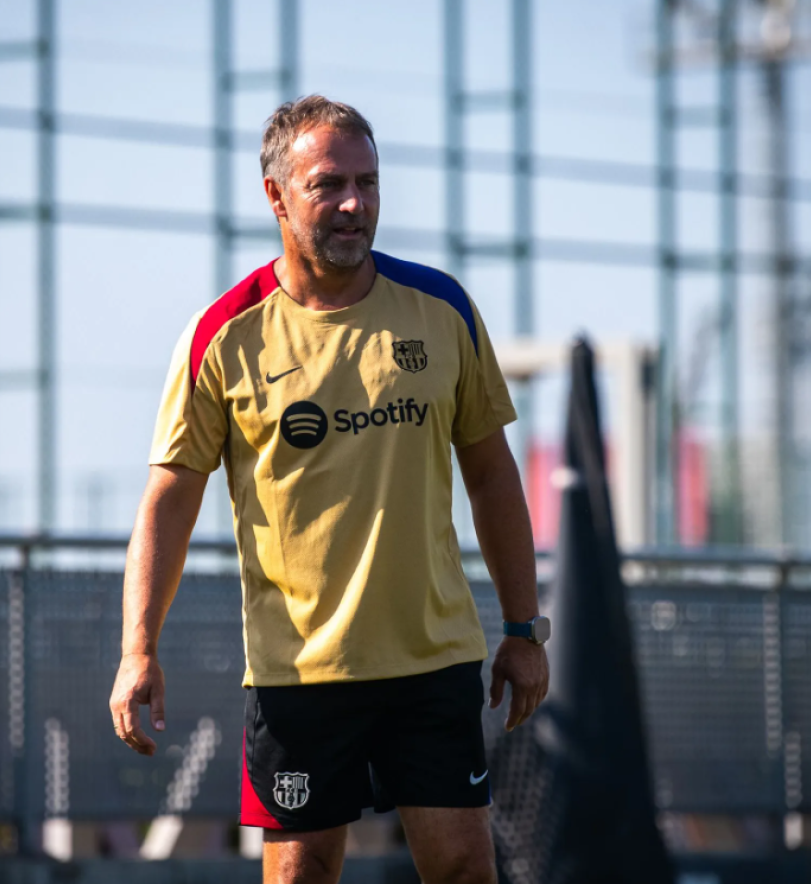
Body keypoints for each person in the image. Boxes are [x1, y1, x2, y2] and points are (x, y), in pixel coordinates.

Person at [108, 95, 548, 884]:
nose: (356, 204)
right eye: (330, 185)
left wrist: (524, 627)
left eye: (369, 183)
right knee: (302, 873)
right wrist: (138, 647)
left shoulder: (440, 309)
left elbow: (491, 475)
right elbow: (168, 503)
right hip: (299, 675)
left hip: (433, 661)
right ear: (275, 196)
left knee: (462, 870)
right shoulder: (224, 335)